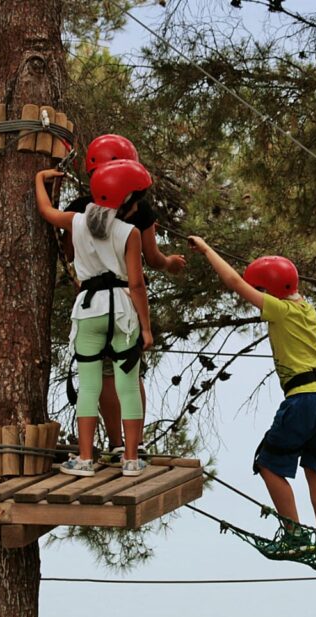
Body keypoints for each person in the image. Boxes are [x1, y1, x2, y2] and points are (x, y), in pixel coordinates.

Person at [187, 237, 316, 539]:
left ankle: (294, 532)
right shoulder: (306, 307)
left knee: (268, 463)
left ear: (270, 291)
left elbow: (234, 281)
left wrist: (207, 249)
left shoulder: (280, 309)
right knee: (315, 467)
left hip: (304, 400)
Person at [66, 135, 186, 459]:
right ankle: (136, 444)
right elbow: (152, 256)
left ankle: (116, 442)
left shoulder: (80, 208)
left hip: (91, 302)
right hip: (126, 304)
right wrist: (170, 264)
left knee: (101, 375)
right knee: (131, 372)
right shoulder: (140, 210)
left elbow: (67, 249)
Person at [35, 160, 154, 477]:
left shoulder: (76, 221)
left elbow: (46, 212)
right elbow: (137, 284)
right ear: (125, 201)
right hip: (121, 309)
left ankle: (85, 458)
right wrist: (146, 327)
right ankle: (130, 459)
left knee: (89, 386)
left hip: (87, 308)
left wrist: (38, 179)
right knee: (127, 385)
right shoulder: (128, 233)